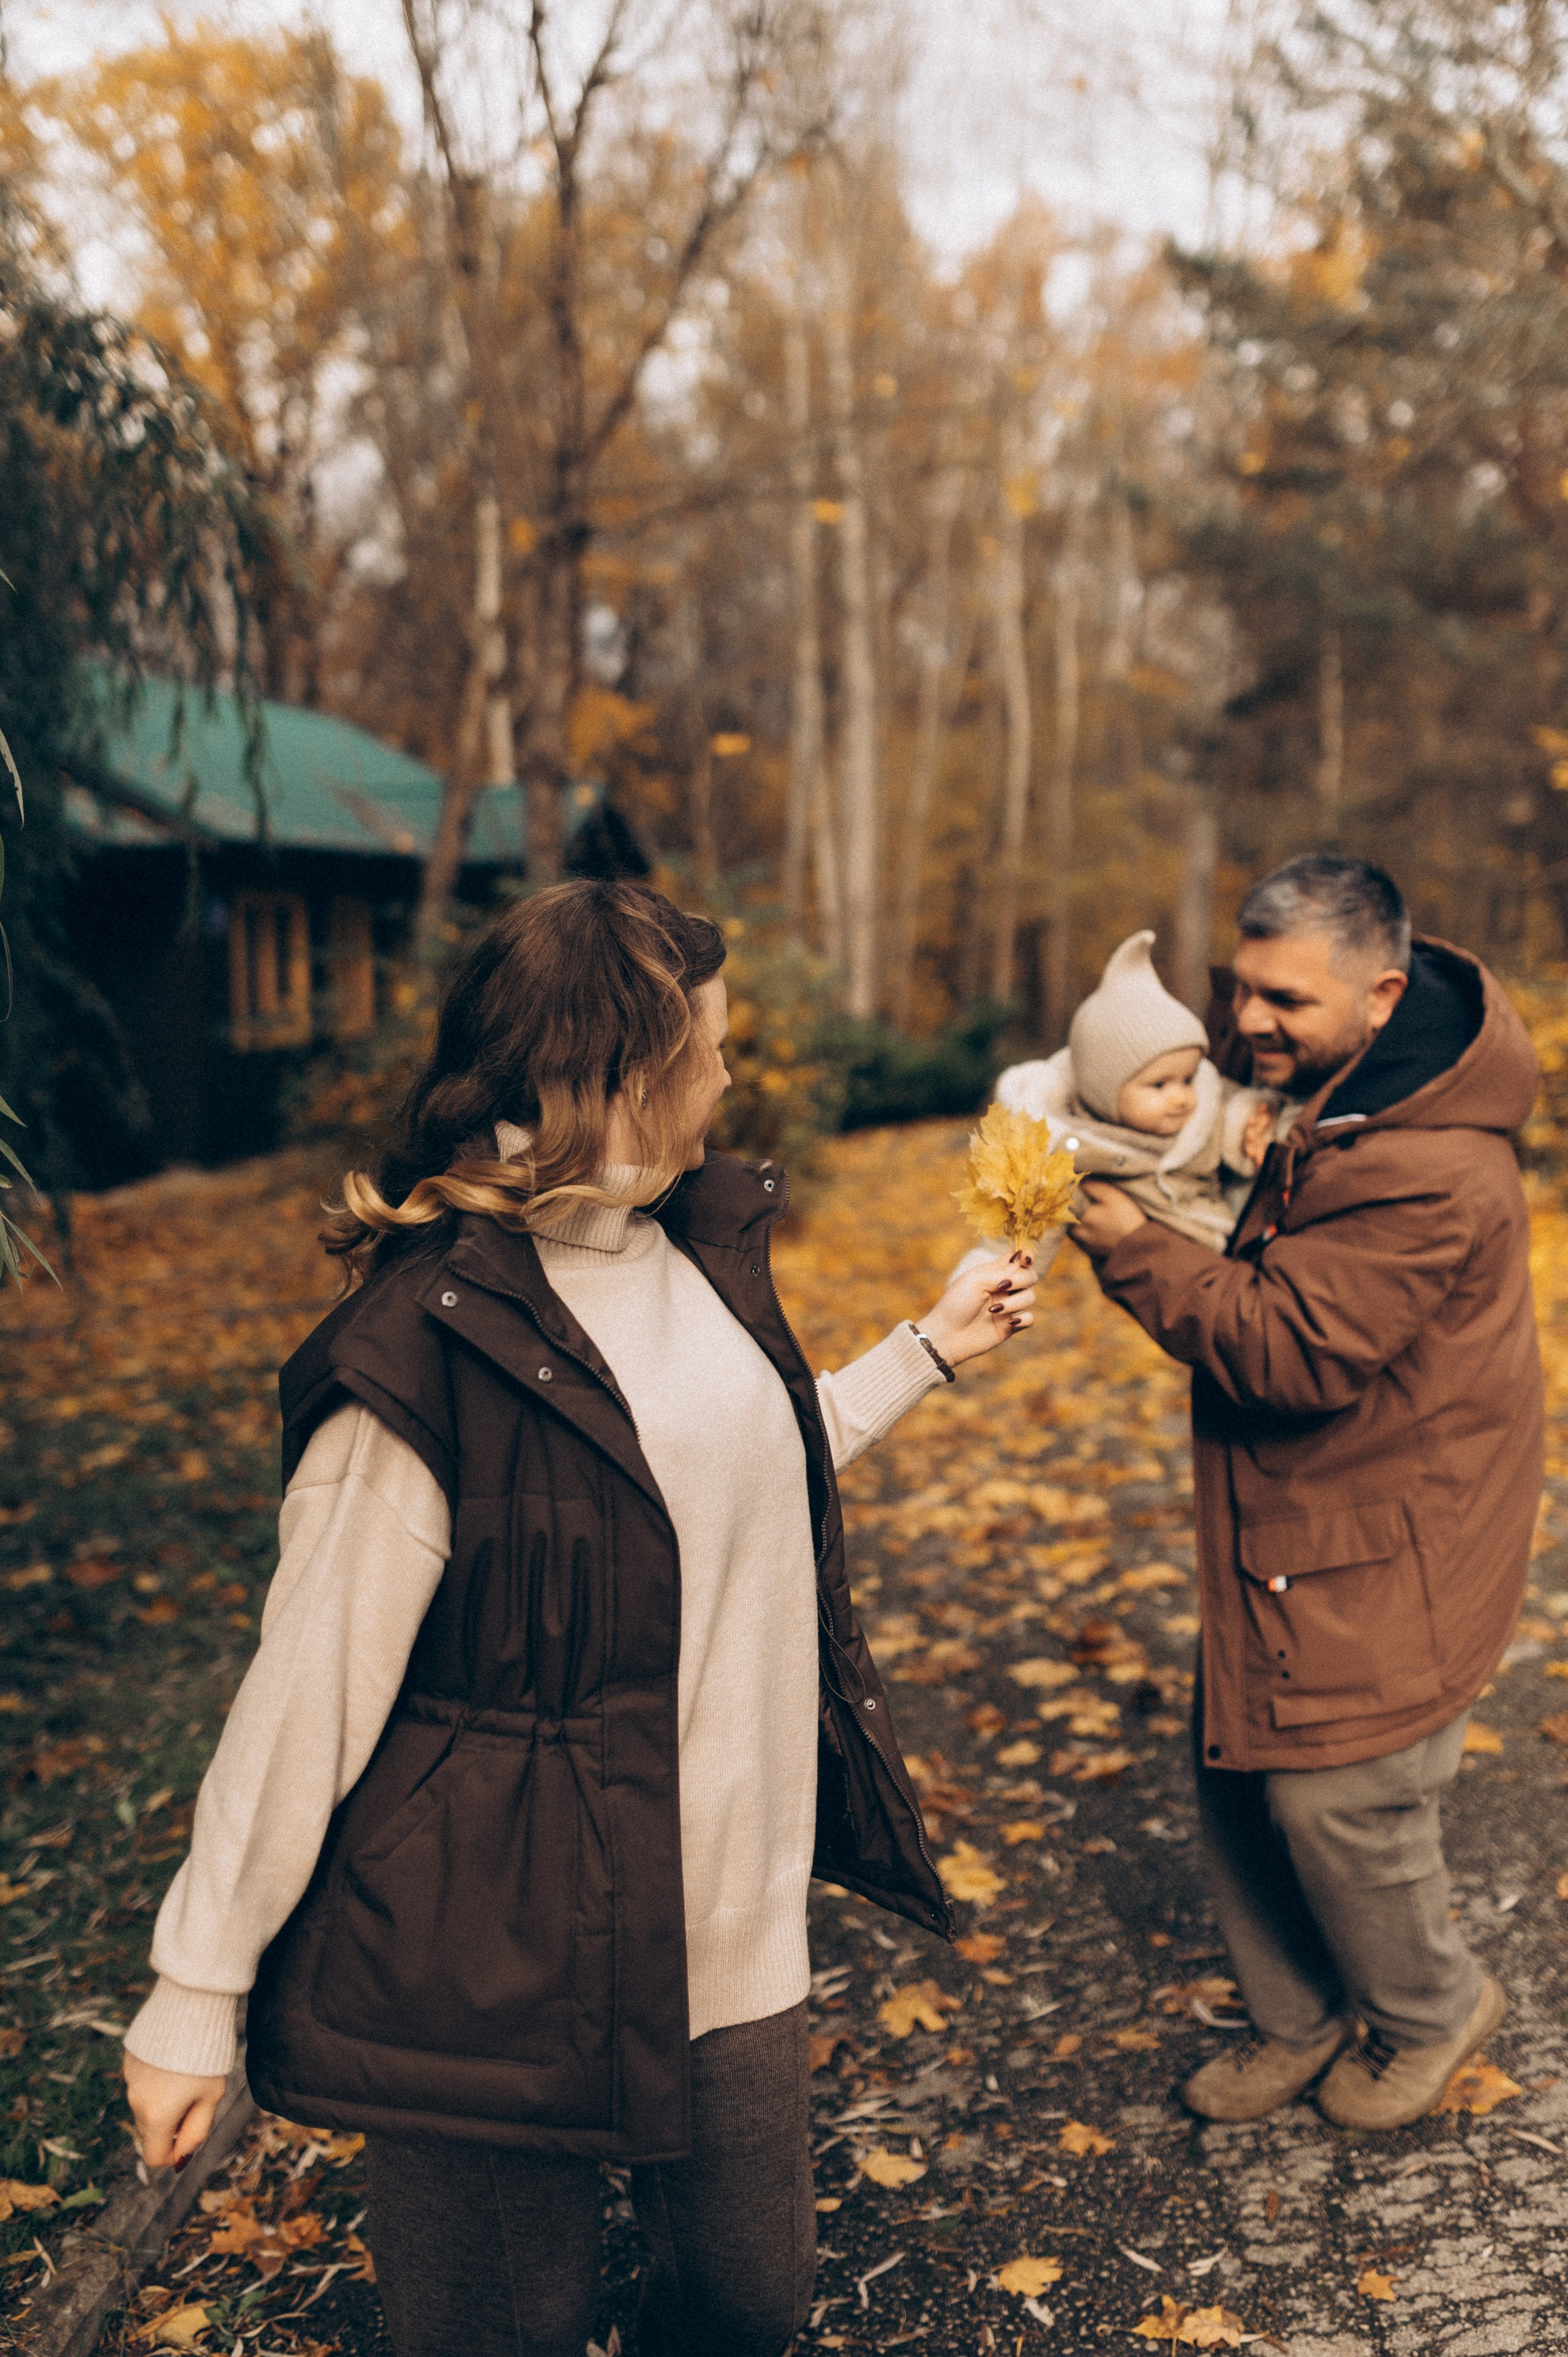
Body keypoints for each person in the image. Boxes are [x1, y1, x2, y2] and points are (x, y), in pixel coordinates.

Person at [119, 881, 1038, 2357]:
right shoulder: (426, 1349)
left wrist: (923, 1350)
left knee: (743, 2306)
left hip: (728, 1927)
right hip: (494, 1951)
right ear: (607, 1076)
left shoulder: (680, 1251)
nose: (732, 1077)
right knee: (494, 2328)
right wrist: (192, 1987)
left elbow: (708, 1481)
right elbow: (305, 1685)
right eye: (709, 1050)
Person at [1069, 853, 1542, 2131]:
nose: (1247, 1022)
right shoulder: (1334, 1093)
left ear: (1381, 994)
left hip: (1397, 1524)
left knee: (1342, 1795)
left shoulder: (1432, 1161)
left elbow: (1289, 1349)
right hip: (1299, 1513)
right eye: (1241, 989)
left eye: (1285, 1000)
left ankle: (1428, 2006)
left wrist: (1131, 1251)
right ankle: (1299, 2013)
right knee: (1236, 1750)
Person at [995, 930, 1279, 1255]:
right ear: (1103, 1093)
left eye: (1187, 1079)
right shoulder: (1070, 1148)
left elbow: (1232, 1110)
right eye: (1159, 1085)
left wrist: (1255, 1124)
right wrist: (1008, 1275)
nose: (1181, 1098)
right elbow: (1031, 1230)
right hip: (1164, 1260)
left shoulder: (1204, 1115)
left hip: (1219, 1245)